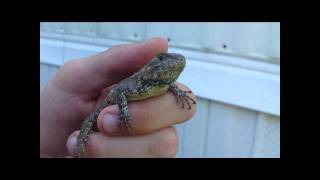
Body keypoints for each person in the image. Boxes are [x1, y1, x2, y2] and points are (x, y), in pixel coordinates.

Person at [40, 37, 196, 158]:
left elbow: (170, 85)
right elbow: (122, 92)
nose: (167, 63)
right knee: (92, 118)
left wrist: (180, 94)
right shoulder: (142, 82)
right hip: (111, 99)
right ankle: (81, 139)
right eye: (162, 58)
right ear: (151, 65)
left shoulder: (165, 85)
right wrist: (125, 114)